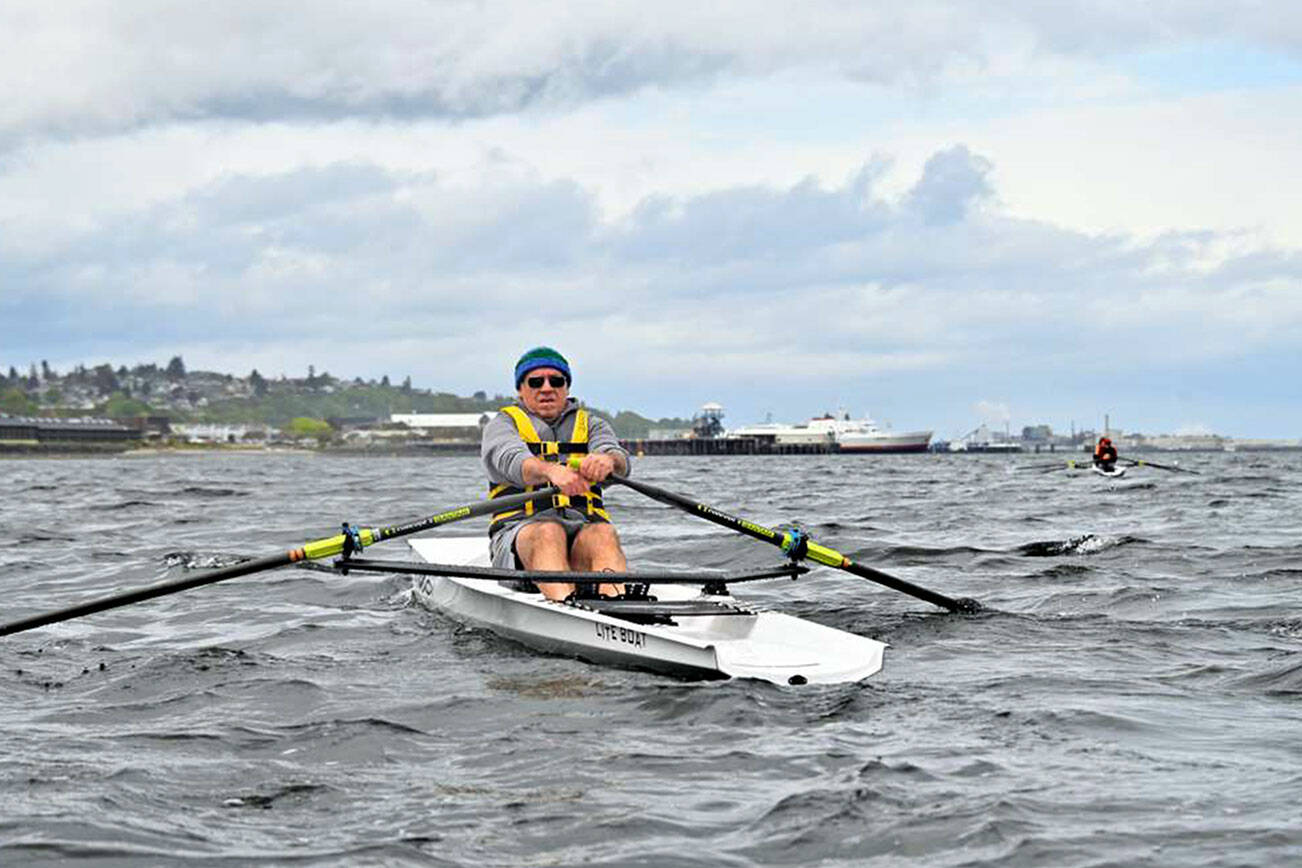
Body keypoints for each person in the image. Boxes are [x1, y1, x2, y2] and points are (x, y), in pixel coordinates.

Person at [481, 347, 630, 601]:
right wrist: (550, 471)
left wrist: (607, 461)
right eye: (536, 382)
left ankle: (618, 606)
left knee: (603, 532)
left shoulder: (592, 424)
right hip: (520, 541)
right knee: (548, 531)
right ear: (521, 389)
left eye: (556, 380)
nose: (547, 388)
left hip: (581, 536)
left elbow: (618, 458)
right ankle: (568, 611)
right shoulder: (502, 425)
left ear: (567, 387)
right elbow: (510, 460)